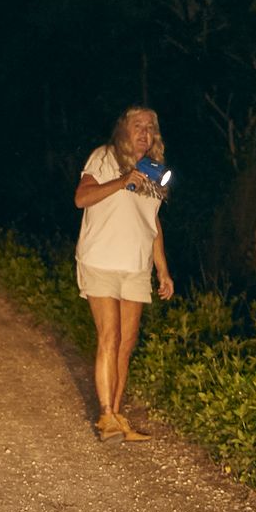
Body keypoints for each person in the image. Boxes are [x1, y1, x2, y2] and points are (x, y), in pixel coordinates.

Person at [73, 105, 176, 441]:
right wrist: (121, 181)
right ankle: (105, 416)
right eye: (138, 125)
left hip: (135, 266)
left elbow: (153, 223)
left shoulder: (155, 172)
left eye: (150, 127)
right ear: (124, 129)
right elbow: (82, 198)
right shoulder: (104, 157)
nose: (145, 132)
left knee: (126, 345)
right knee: (110, 337)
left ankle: (116, 415)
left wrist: (163, 270)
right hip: (100, 260)